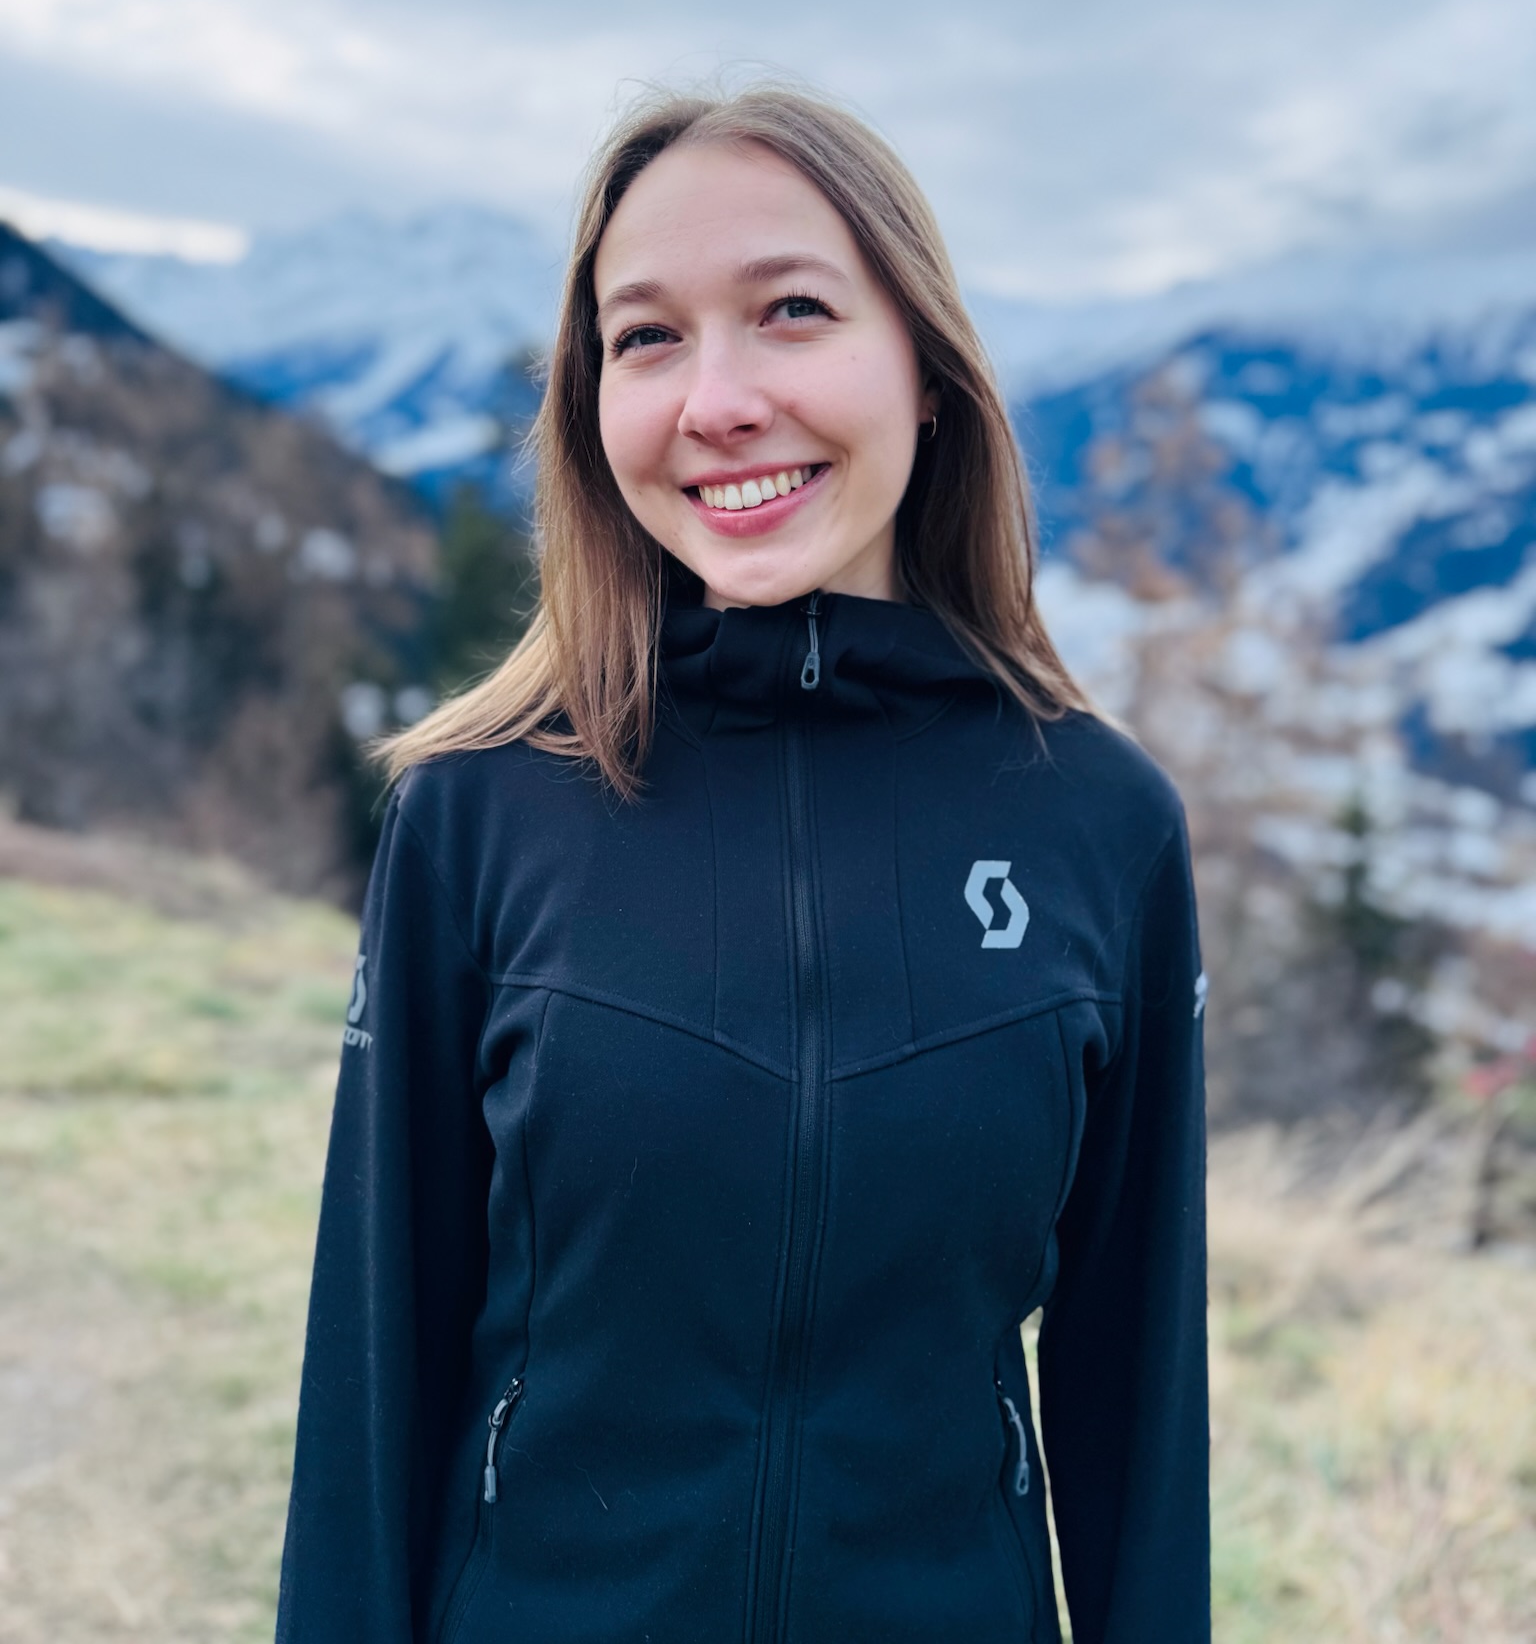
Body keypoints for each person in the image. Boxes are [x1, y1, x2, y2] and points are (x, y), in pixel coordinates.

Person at [276, 85, 1210, 1644]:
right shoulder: (479, 812)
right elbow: (370, 1383)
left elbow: (1140, 1407)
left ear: (927, 371)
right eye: (647, 337)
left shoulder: (1104, 828)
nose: (717, 401)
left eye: (791, 311)